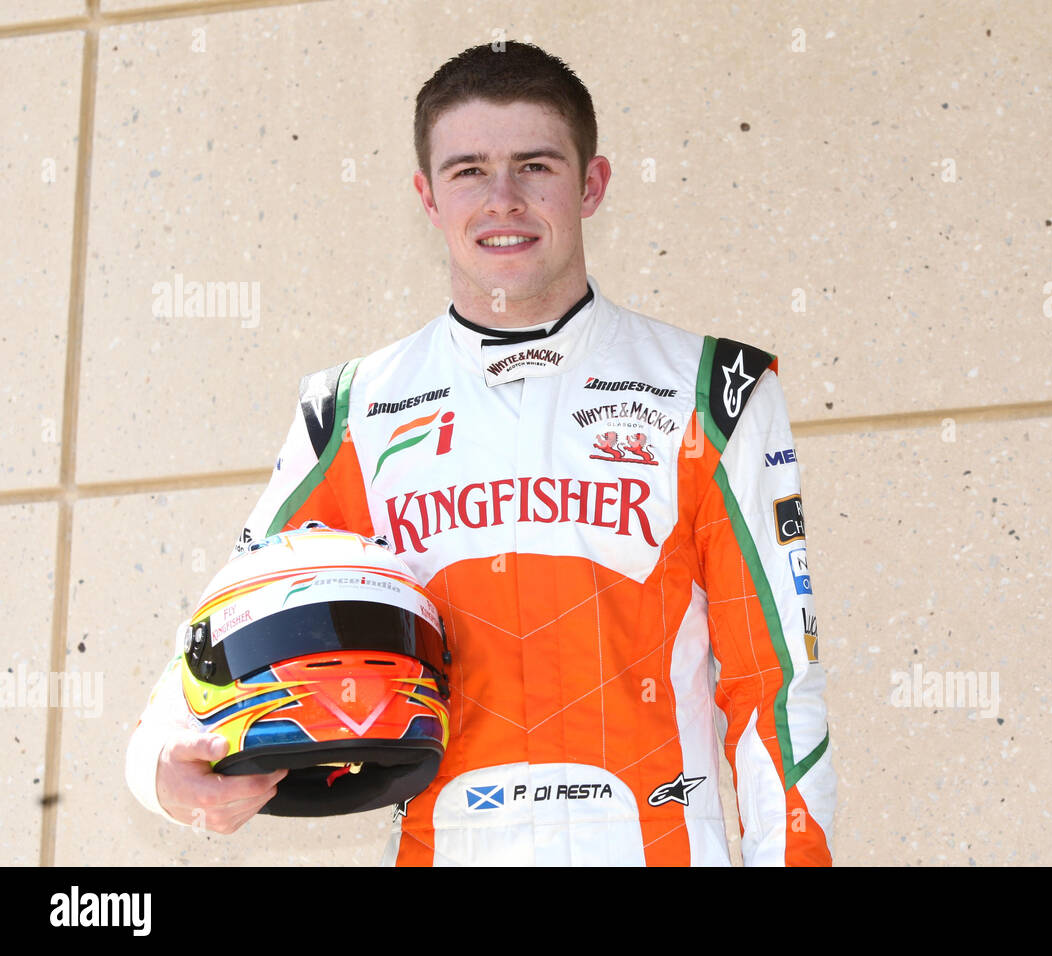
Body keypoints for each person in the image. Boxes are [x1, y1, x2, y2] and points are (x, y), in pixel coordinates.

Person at [125, 41, 835, 866]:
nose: (503, 200)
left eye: (535, 166)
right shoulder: (351, 410)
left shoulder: (716, 392)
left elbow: (776, 686)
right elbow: (233, 618)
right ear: (427, 197)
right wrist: (160, 763)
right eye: (468, 171)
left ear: (591, 185)